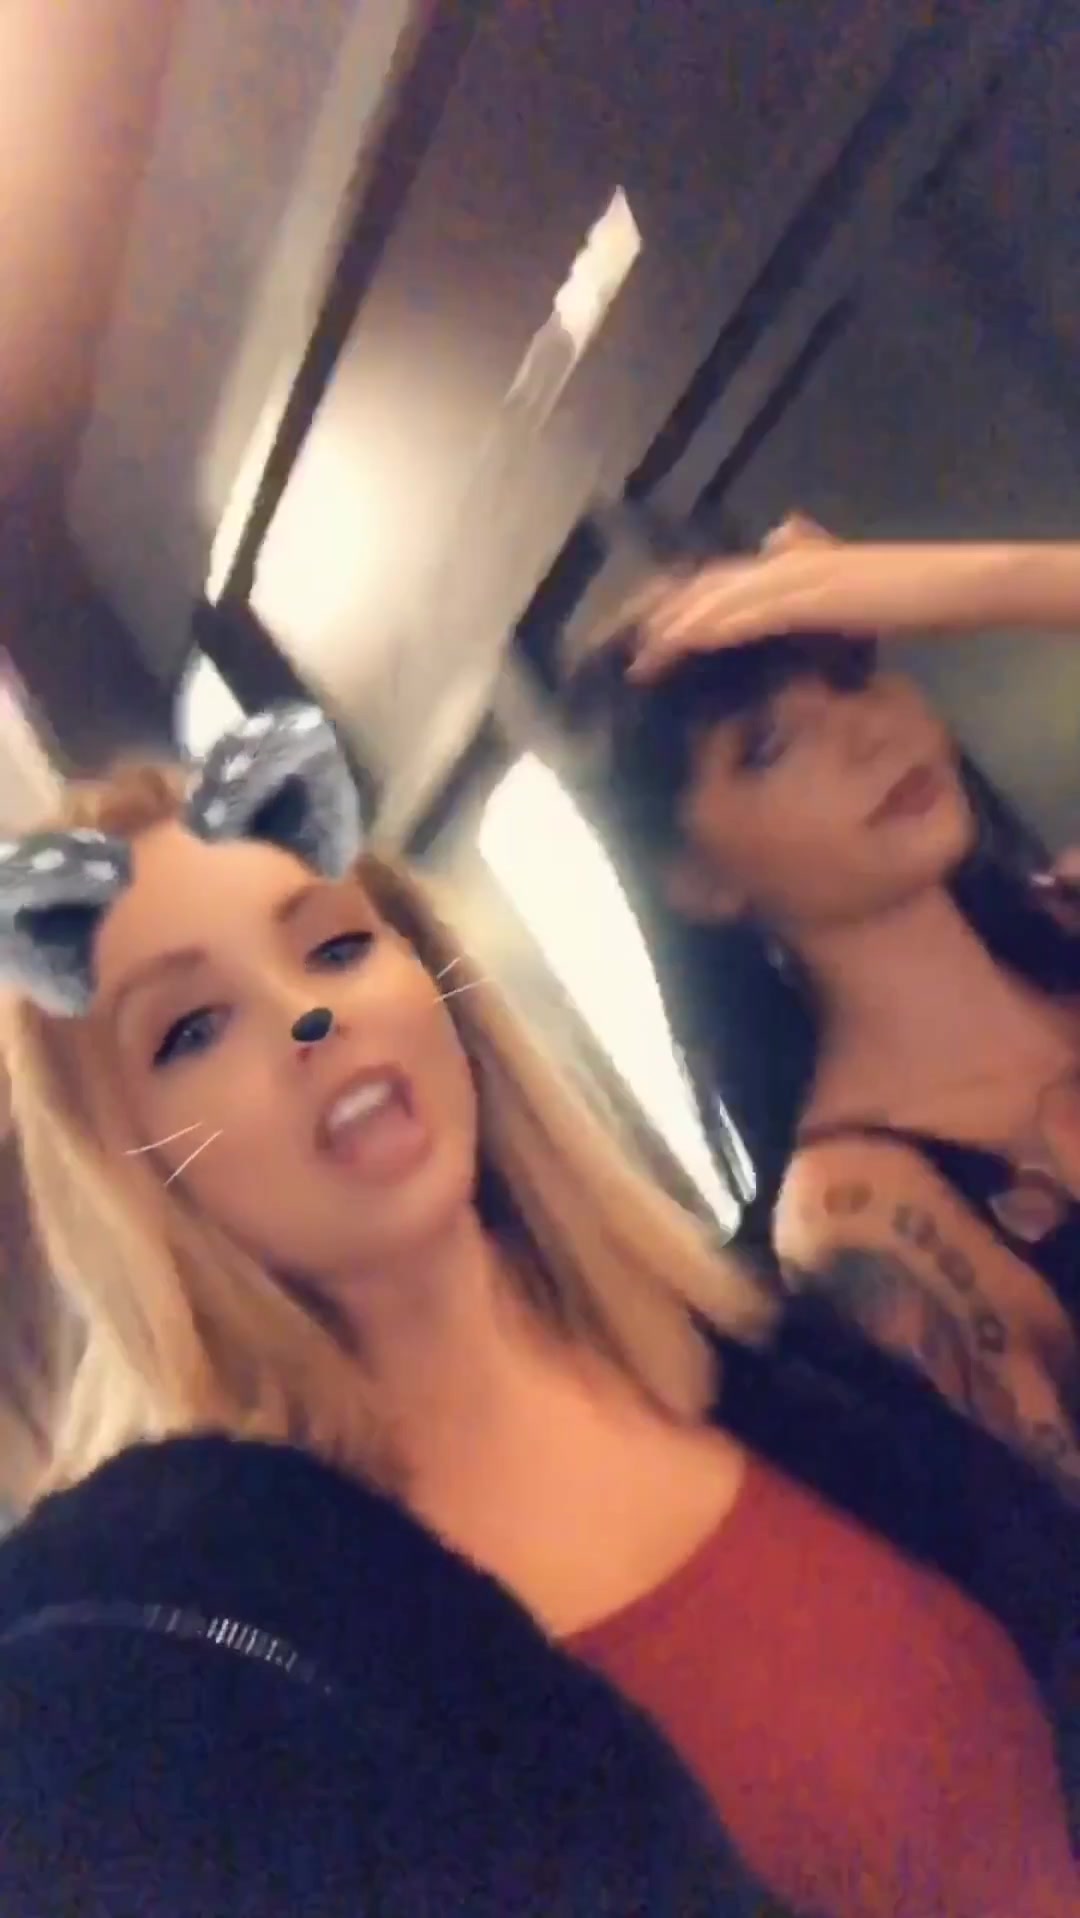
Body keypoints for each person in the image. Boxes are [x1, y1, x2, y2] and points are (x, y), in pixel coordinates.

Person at [0, 706, 1074, 1916]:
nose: (310, 1018)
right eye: (194, 1029)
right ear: (129, 1172)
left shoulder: (753, 1353)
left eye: (336, 946)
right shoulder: (220, 1658)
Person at [569, 514, 1080, 1514]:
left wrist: (975, 581)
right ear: (698, 879)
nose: (867, 730)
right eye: (768, 746)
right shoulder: (859, 1209)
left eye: (854, 678)